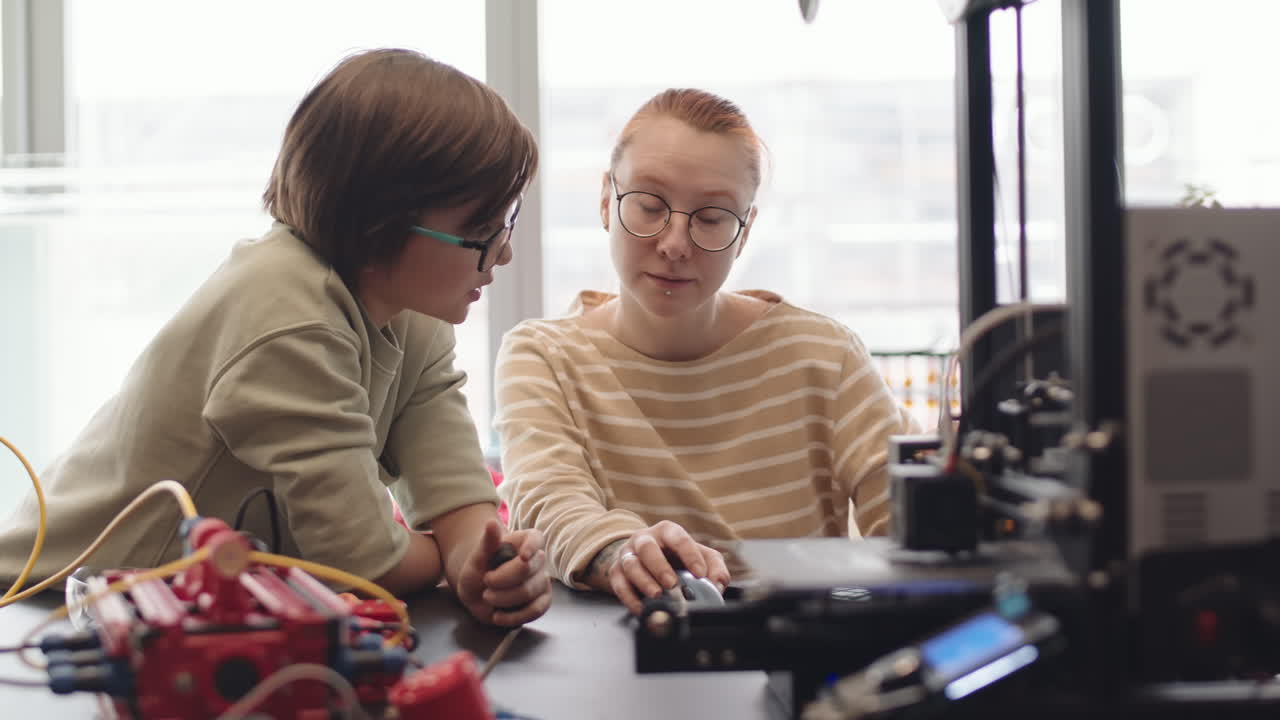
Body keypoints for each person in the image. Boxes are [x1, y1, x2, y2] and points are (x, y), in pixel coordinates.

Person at [0, 49, 550, 627]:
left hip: (181, 616)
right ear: (378, 227)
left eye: (504, 222)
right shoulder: (290, 318)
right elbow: (365, 562)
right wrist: (451, 558)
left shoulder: (410, 312)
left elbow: (455, 491)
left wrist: (484, 562)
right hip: (49, 607)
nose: (504, 252)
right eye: (480, 231)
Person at [494, 88, 918, 614]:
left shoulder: (824, 356)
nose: (675, 243)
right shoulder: (543, 356)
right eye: (649, 206)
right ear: (606, 200)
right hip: (626, 651)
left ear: (745, 232)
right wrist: (622, 551)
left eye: (712, 218)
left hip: (796, 656)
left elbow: (911, 525)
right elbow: (547, 503)